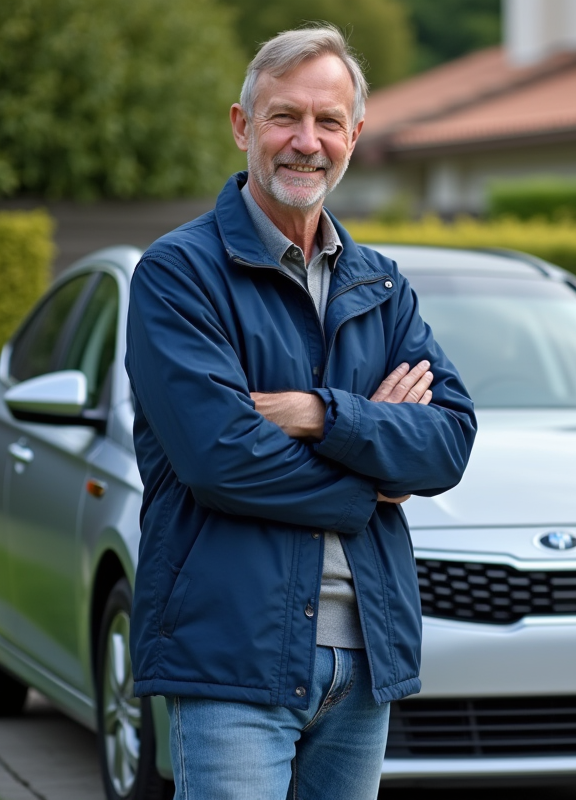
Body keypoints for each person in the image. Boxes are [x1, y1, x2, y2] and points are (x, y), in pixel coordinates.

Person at [123, 24, 476, 800]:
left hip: (366, 658)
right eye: (285, 117)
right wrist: (375, 486)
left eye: (327, 122)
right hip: (231, 656)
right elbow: (221, 458)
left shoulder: (379, 285)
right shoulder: (178, 275)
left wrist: (323, 416)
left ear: (354, 135)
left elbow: (448, 441)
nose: (305, 142)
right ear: (244, 126)